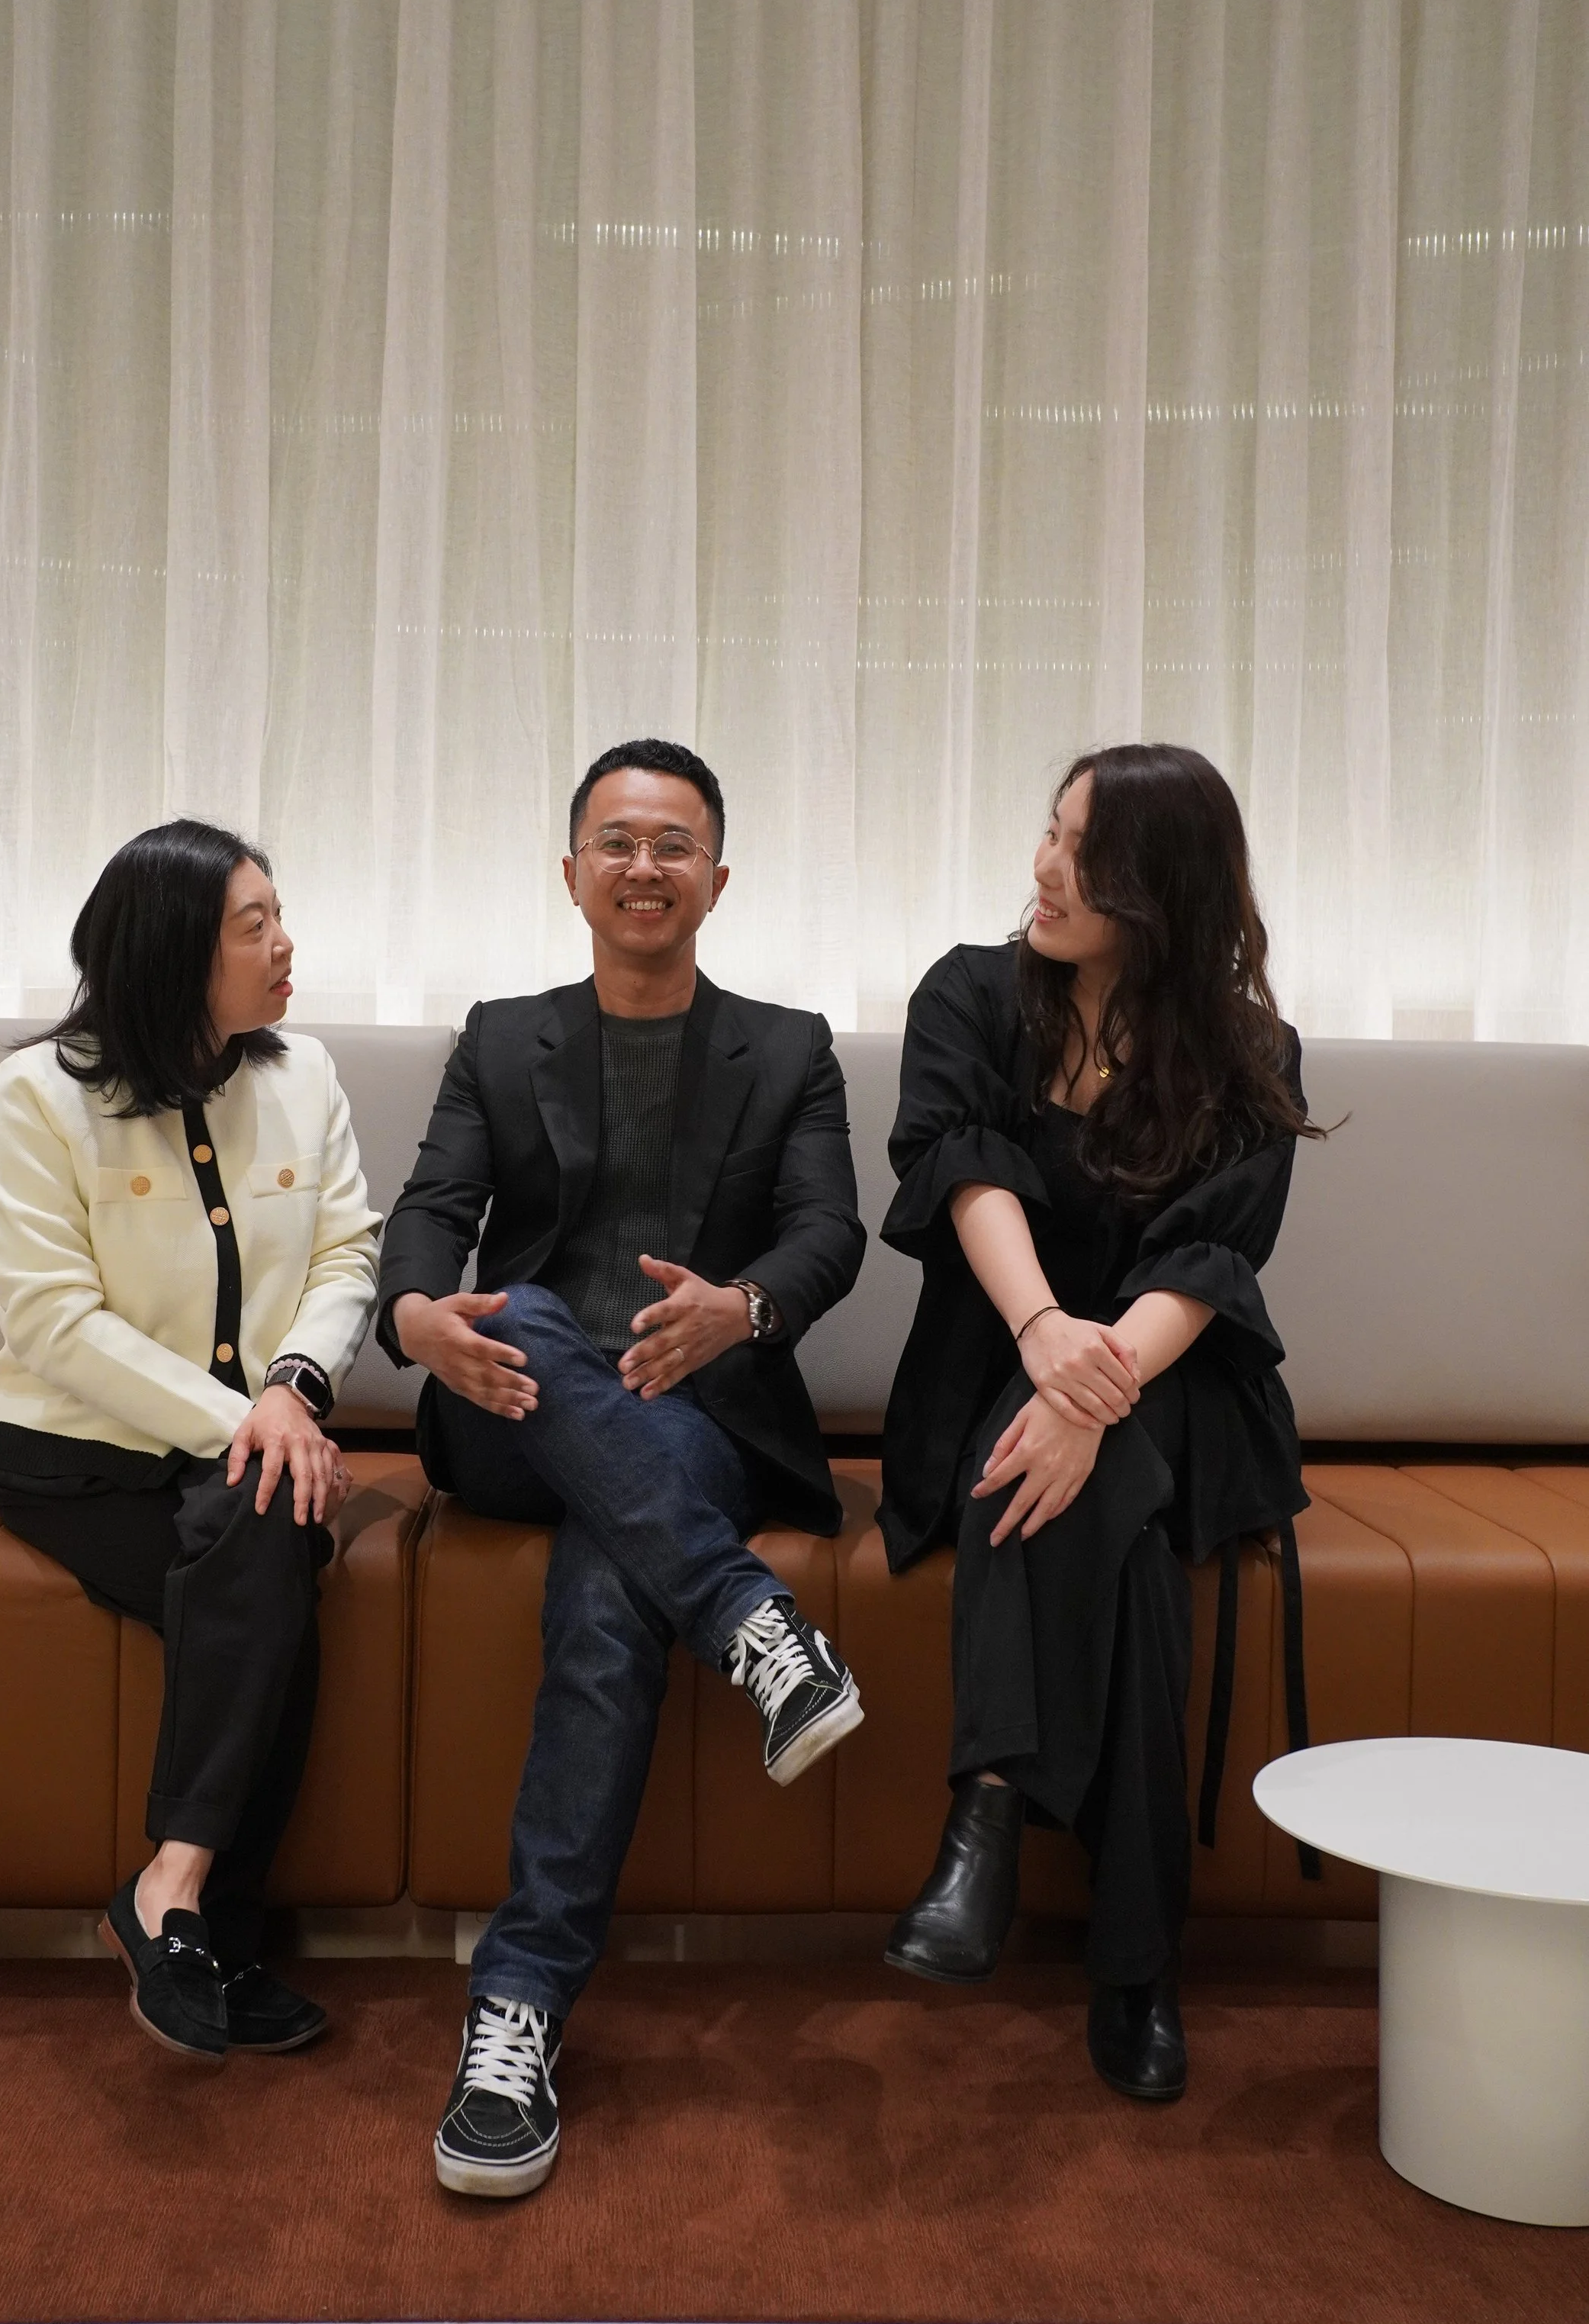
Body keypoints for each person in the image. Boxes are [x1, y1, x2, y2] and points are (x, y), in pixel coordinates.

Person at [380, 738, 867, 2198]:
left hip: (695, 1417)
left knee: (608, 1587)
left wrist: (742, 1308)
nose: (644, 866)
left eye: (673, 844)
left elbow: (828, 1232)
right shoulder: (500, 1035)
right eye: (617, 841)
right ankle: (753, 1626)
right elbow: (431, 1208)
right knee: (526, 1307)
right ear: (572, 869)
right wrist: (418, 1317)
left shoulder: (789, 1046)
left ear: (717, 876)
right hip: (513, 1399)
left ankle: (514, 2016)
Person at [877, 744, 1320, 2104]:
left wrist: (1091, 1389)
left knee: (1094, 1462)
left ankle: (989, 1818)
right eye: (1050, 832)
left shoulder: (1251, 1050)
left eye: (1084, 851)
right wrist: (1043, 1341)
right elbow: (963, 1170)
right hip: (993, 1362)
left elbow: (1209, 1258)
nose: (1045, 868)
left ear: (1162, 885)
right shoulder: (970, 993)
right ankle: (1138, 1967)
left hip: (1176, 1383)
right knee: (1125, 1556)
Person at [0, 819, 381, 2065]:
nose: (285, 942)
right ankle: (218, 1934)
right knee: (274, 1552)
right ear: (171, 953)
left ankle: (174, 1897)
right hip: (81, 1458)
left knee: (265, 1528)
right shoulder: (34, 1098)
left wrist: (294, 1385)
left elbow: (347, 1254)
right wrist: (250, 1419)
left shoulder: (304, 1075)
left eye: (278, 914)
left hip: (253, 1439)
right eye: (254, 925)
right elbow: (54, 1323)